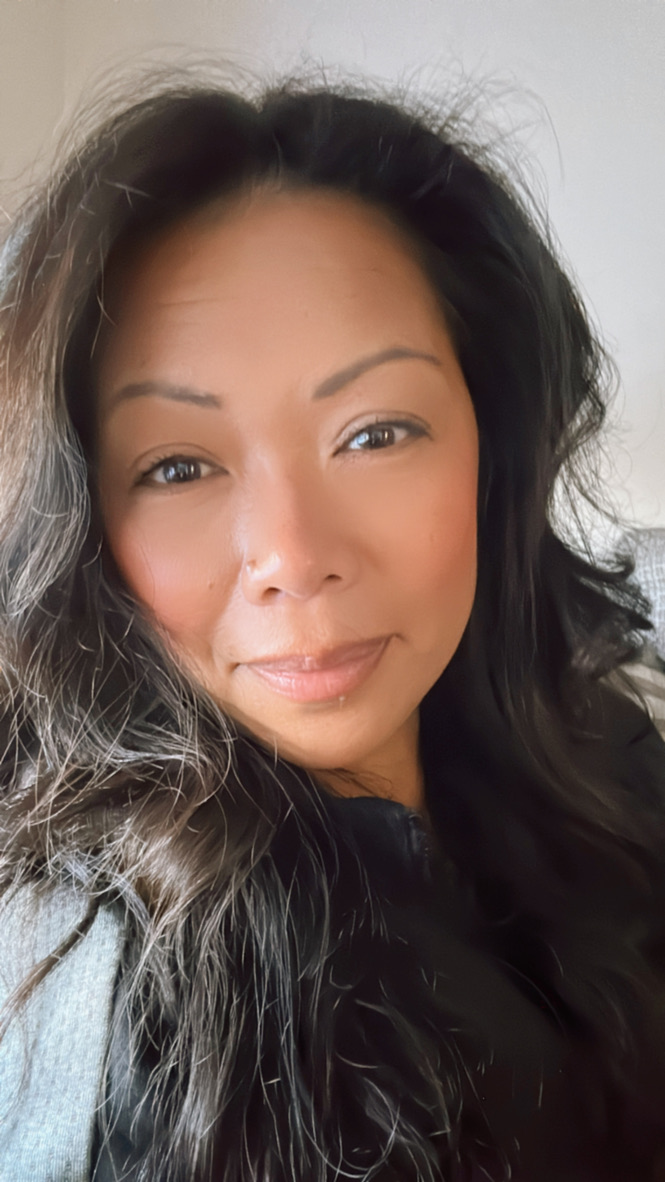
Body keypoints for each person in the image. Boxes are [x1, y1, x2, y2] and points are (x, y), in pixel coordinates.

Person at [1, 72, 665, 1182]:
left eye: (374, 433)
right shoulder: (104, 1001)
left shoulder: (608, 747)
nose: (293, 555)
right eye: (177, 466)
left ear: (492, 444)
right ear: (84, 526)